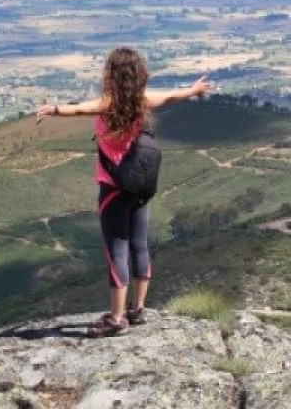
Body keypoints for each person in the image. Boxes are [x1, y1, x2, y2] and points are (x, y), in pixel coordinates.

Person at [36, 47, 213, 337]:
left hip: (114, 188)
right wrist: (193, 90)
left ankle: (117, 319)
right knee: (139, 245)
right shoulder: (144, 102)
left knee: (116, 250)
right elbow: (170, 96)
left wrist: (52, 109)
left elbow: (79, 108)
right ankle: (137, 309)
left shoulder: (108, 105)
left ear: (111, 76)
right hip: (141, 186)